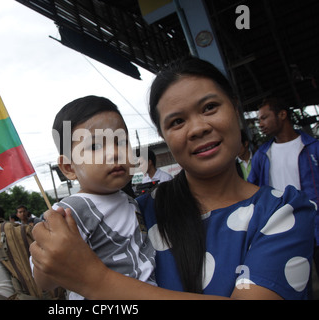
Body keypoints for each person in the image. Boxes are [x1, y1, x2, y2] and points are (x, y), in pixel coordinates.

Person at [30, 57, 316, 300]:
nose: (197, 128)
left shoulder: (283, 212)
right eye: (177, 122)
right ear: (164, 136)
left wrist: (95, 281)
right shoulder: (140, 211)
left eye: (209, 107)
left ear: (236, 108)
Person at [32, 95, 156, 300]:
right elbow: (44, 282)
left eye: (122, 142)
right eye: (95, 147)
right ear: (69, 168)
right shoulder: (72, 210)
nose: (115, 153)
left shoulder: (129, 201)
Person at [248, 97, 319, 278]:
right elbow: (250, 189)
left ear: (282, 114)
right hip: (283, 230)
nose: (260, 124)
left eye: (264, 118)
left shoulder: (312, 147)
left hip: (315, 225)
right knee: (297, 285)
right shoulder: (262, 155)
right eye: (258, 120)